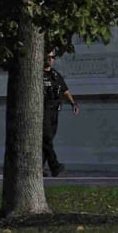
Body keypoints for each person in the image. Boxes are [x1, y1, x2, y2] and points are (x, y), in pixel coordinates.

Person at [42, 47, 79, 177]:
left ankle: (38, 167)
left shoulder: (55, 75)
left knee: (48, 139)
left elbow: (65, 90)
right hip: (43, 111)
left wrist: (73, 103)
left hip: (55, 112)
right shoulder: (38, 75)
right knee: (46, 138)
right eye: (49, 57)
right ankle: (55, 166)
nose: (51, 60)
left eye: (53, 57)